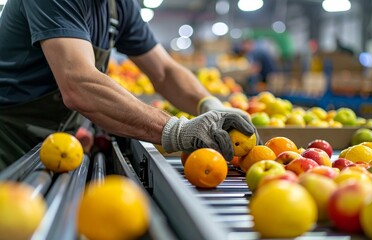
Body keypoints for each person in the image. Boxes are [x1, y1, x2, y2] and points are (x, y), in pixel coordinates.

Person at [0, 0, 257, 170]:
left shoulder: (117, 5)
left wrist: (208, 103)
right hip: (9, 138)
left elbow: (165, 72)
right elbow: (78, 82)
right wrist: (177, 131)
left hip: (55, 144)